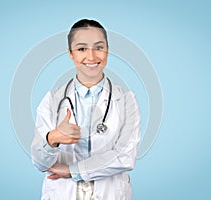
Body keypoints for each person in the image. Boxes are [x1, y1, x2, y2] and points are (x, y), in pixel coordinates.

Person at [31, 19, 141, 200]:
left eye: (99, 47)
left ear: (107, 51)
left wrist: (72, 170)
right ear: (71, 54)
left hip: (110, 193)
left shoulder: (127, 100)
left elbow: (125, 157)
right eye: (82, 49)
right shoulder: (52, 100)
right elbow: (40, 162)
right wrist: (53, 139)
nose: (91, 57)